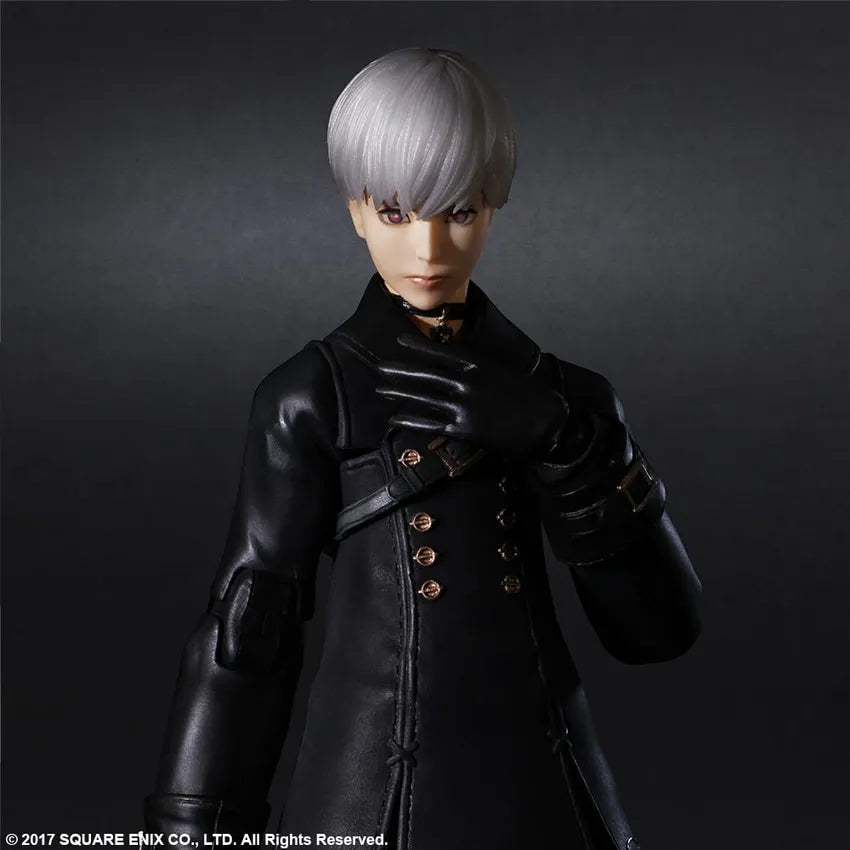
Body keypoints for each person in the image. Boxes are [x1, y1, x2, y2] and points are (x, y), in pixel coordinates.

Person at [144, 48, 702, 850]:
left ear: (495, 204)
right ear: (356, 211)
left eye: (460, 211)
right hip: (371, 786)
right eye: (397, 213)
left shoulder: (568, 400)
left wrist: (568, 447)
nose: (430, 250)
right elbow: (248, 635)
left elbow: (657, 634)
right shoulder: (314, 396)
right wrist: (192, 830)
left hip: (543, 781)